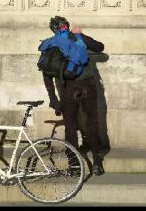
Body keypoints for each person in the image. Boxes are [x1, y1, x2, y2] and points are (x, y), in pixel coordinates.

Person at [40, 16, 106, 176]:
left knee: (70, 127)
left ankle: (74, 166)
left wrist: (53, 98)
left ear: (53, 29)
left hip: (66, 88)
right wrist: (81, 35)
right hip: (87, 85)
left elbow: (46, 73)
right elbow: (100, 47)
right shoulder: (78, 37)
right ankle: (97, 162)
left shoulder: (48, 44)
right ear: (67, 26)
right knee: (92, 122)